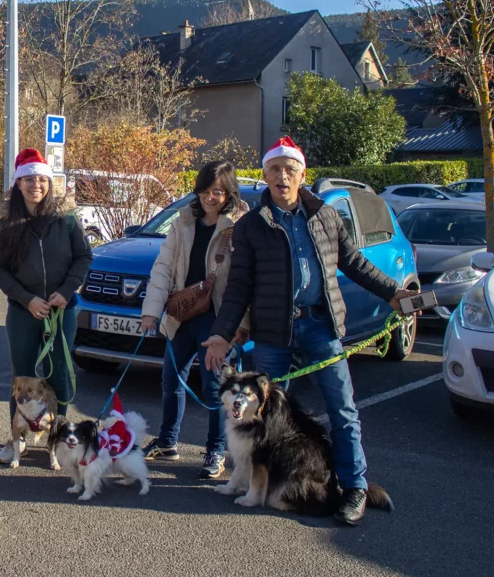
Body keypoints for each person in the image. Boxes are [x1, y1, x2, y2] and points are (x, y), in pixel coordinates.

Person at [203, 137, 420, 526]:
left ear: (303, 175)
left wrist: (393, 294)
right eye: (274, 170)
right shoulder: (252, 225)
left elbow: (355, 263)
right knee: (265, 420)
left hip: (321, 327)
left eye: (290, 169)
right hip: (273, 335)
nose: (282, 176)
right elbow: (239, 287)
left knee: (343, 410)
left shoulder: (325, 217)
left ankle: (354, 488)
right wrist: (223, 333)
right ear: (264, 175)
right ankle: (262, 484)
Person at [139, 160, 250, 479]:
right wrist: (151, 310)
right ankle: (167, 441)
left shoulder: (239, 226)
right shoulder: (182, 221)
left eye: (217, 191)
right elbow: (162, 266)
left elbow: (246, 280)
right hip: (182, 311)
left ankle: (216, 450)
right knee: (170, 380)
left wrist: (241, 325)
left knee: (216, 387)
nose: (209, 197)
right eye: (204, 190)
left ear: (228, 192)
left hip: (217, 318)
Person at [0, 148, 93, 465]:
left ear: (49, 183)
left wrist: (65, 291)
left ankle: (58, 439)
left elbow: (84, 258)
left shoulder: (67, 220)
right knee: (21, 379)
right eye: (29, 179)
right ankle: (16, 440)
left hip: (62, 311)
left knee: (60, 375)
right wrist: (27, 299)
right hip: (23, 312)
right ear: (19, 185)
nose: (36, 185)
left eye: (41, 179)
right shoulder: (7, 225)